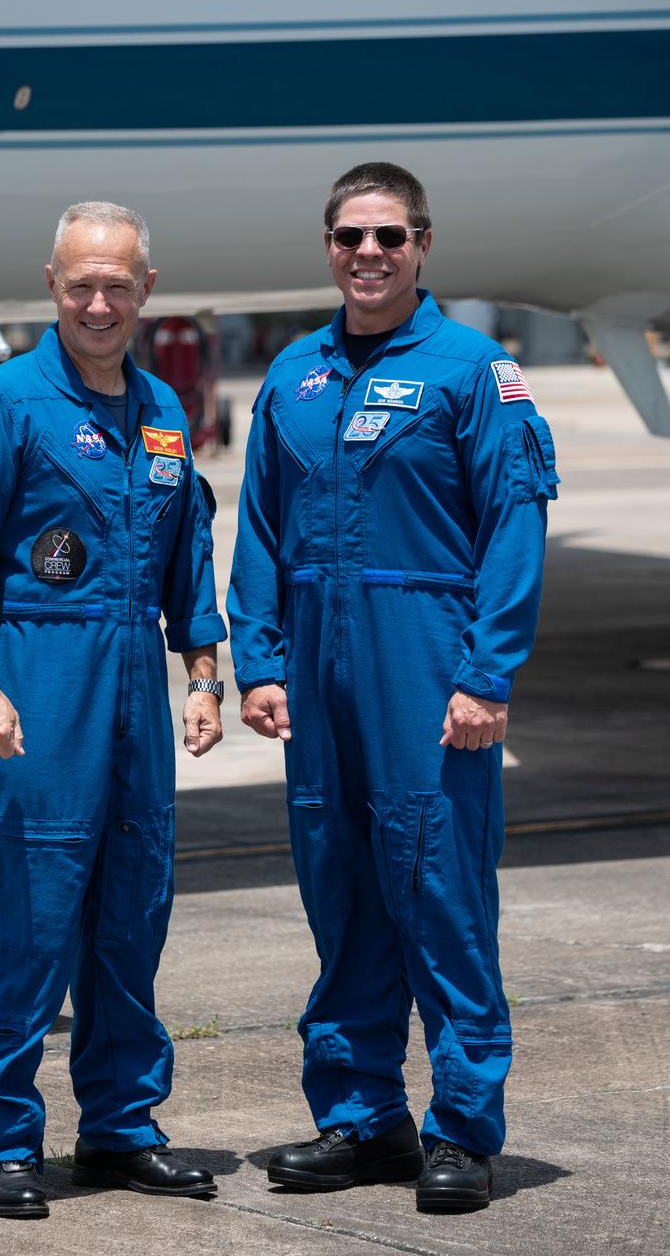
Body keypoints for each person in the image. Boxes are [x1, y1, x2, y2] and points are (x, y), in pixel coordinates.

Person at [228, 163, 559, 1211]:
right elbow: (261, 531)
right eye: (347, 236)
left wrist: (484, 670)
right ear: (327, 246)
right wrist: (260, 659)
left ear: (422, 245)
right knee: (341, 886)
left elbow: (514, 524)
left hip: (424, 659)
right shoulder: (294, 375)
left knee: (439, 888)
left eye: (387, 236)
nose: (366, 254)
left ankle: (461, 1126)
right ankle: (362, 1115)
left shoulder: (474, 370)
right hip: (318, 668)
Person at [0, 201, 228, 1218]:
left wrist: (203, 675)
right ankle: (5, 1139)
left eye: (118, 284)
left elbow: (191, 557)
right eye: (80, 283)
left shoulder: (163, 412)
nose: (99, 301)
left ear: (146, 291)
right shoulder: (2, 404)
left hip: (138, 673)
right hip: (40, 679)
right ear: (52, 286)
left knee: (131, 911)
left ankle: (121, 1126)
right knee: (32, 912)